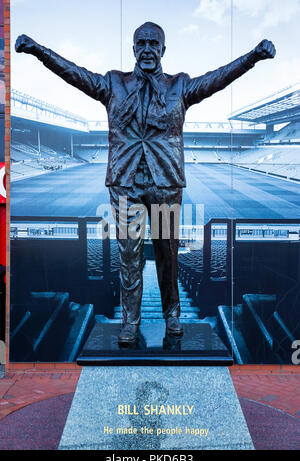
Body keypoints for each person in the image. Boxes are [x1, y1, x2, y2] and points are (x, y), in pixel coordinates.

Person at [15, 22, 276, 344]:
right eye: (142, 43)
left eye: (154, 43)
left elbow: (217, 78)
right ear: (134, 48)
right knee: (129, 257)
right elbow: (73, 73)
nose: (148, 49)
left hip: (165, 184)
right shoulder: (113, 83)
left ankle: (172, 316)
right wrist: (38, 50)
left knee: (168, 256)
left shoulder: (180, 86)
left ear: (163, 50)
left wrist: (253, 57)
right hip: (126, 184)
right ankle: (130, 322)